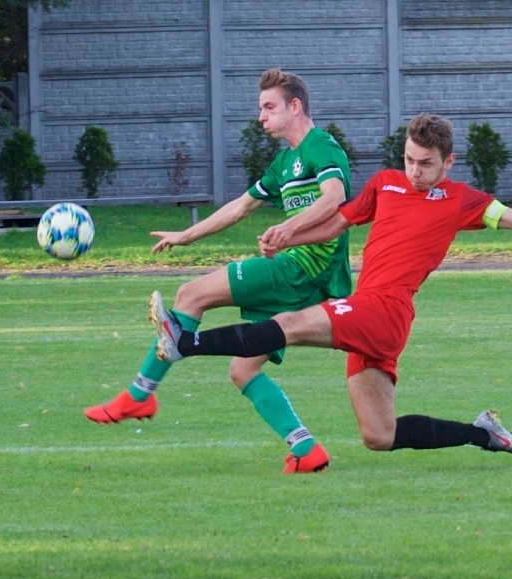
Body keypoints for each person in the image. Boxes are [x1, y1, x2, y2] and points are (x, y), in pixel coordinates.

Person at [149, 113, 512, 461]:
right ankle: (483, 435)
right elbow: (338, 223)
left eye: (426, 163)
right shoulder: (385, 184)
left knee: (289, 324)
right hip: (369, 311)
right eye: (409, 160)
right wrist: (288, 233)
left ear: (449, 162)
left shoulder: (463, 200)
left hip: (385, 312)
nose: (415, 171)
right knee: (378, 436)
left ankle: (183, 343)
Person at [85, 68, 351, 474]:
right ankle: (306, 449)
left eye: (269, 107)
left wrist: (288, 228)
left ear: (294, 107)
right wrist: (187, 235)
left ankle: (141, 393)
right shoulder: (284, 163)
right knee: (242, 369)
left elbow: (336, 197)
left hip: (302, 269)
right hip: (305, 279)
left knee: (191, 295)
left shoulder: (321, 147)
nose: (261, 116)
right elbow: (240, 207)